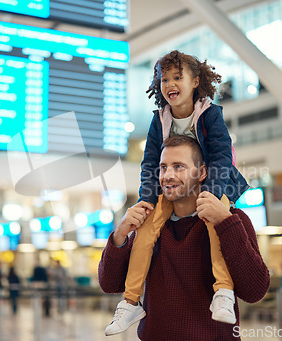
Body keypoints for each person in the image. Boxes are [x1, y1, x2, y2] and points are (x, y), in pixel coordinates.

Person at [104, 50, 250, 335]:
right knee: (144, 230)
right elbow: (149, 163)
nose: (169, 83)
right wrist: (146, 200)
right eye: (163, 79)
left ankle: (223, 292)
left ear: (196, 81)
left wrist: (211, 194)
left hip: (214, 184)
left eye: (177, 77)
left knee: (213, 224)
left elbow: (221, 156)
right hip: (171, 194)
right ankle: (131, 301)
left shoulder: (210, 113)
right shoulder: (159, 120)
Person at [99, 135, 269, 340]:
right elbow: (109, 284)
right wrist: (120, 235)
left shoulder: (233, 220)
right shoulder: (149, 225)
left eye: (179, 166)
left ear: (202, 172)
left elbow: (255, 291)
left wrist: (225, 222)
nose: (168, 175)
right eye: (163, 167)